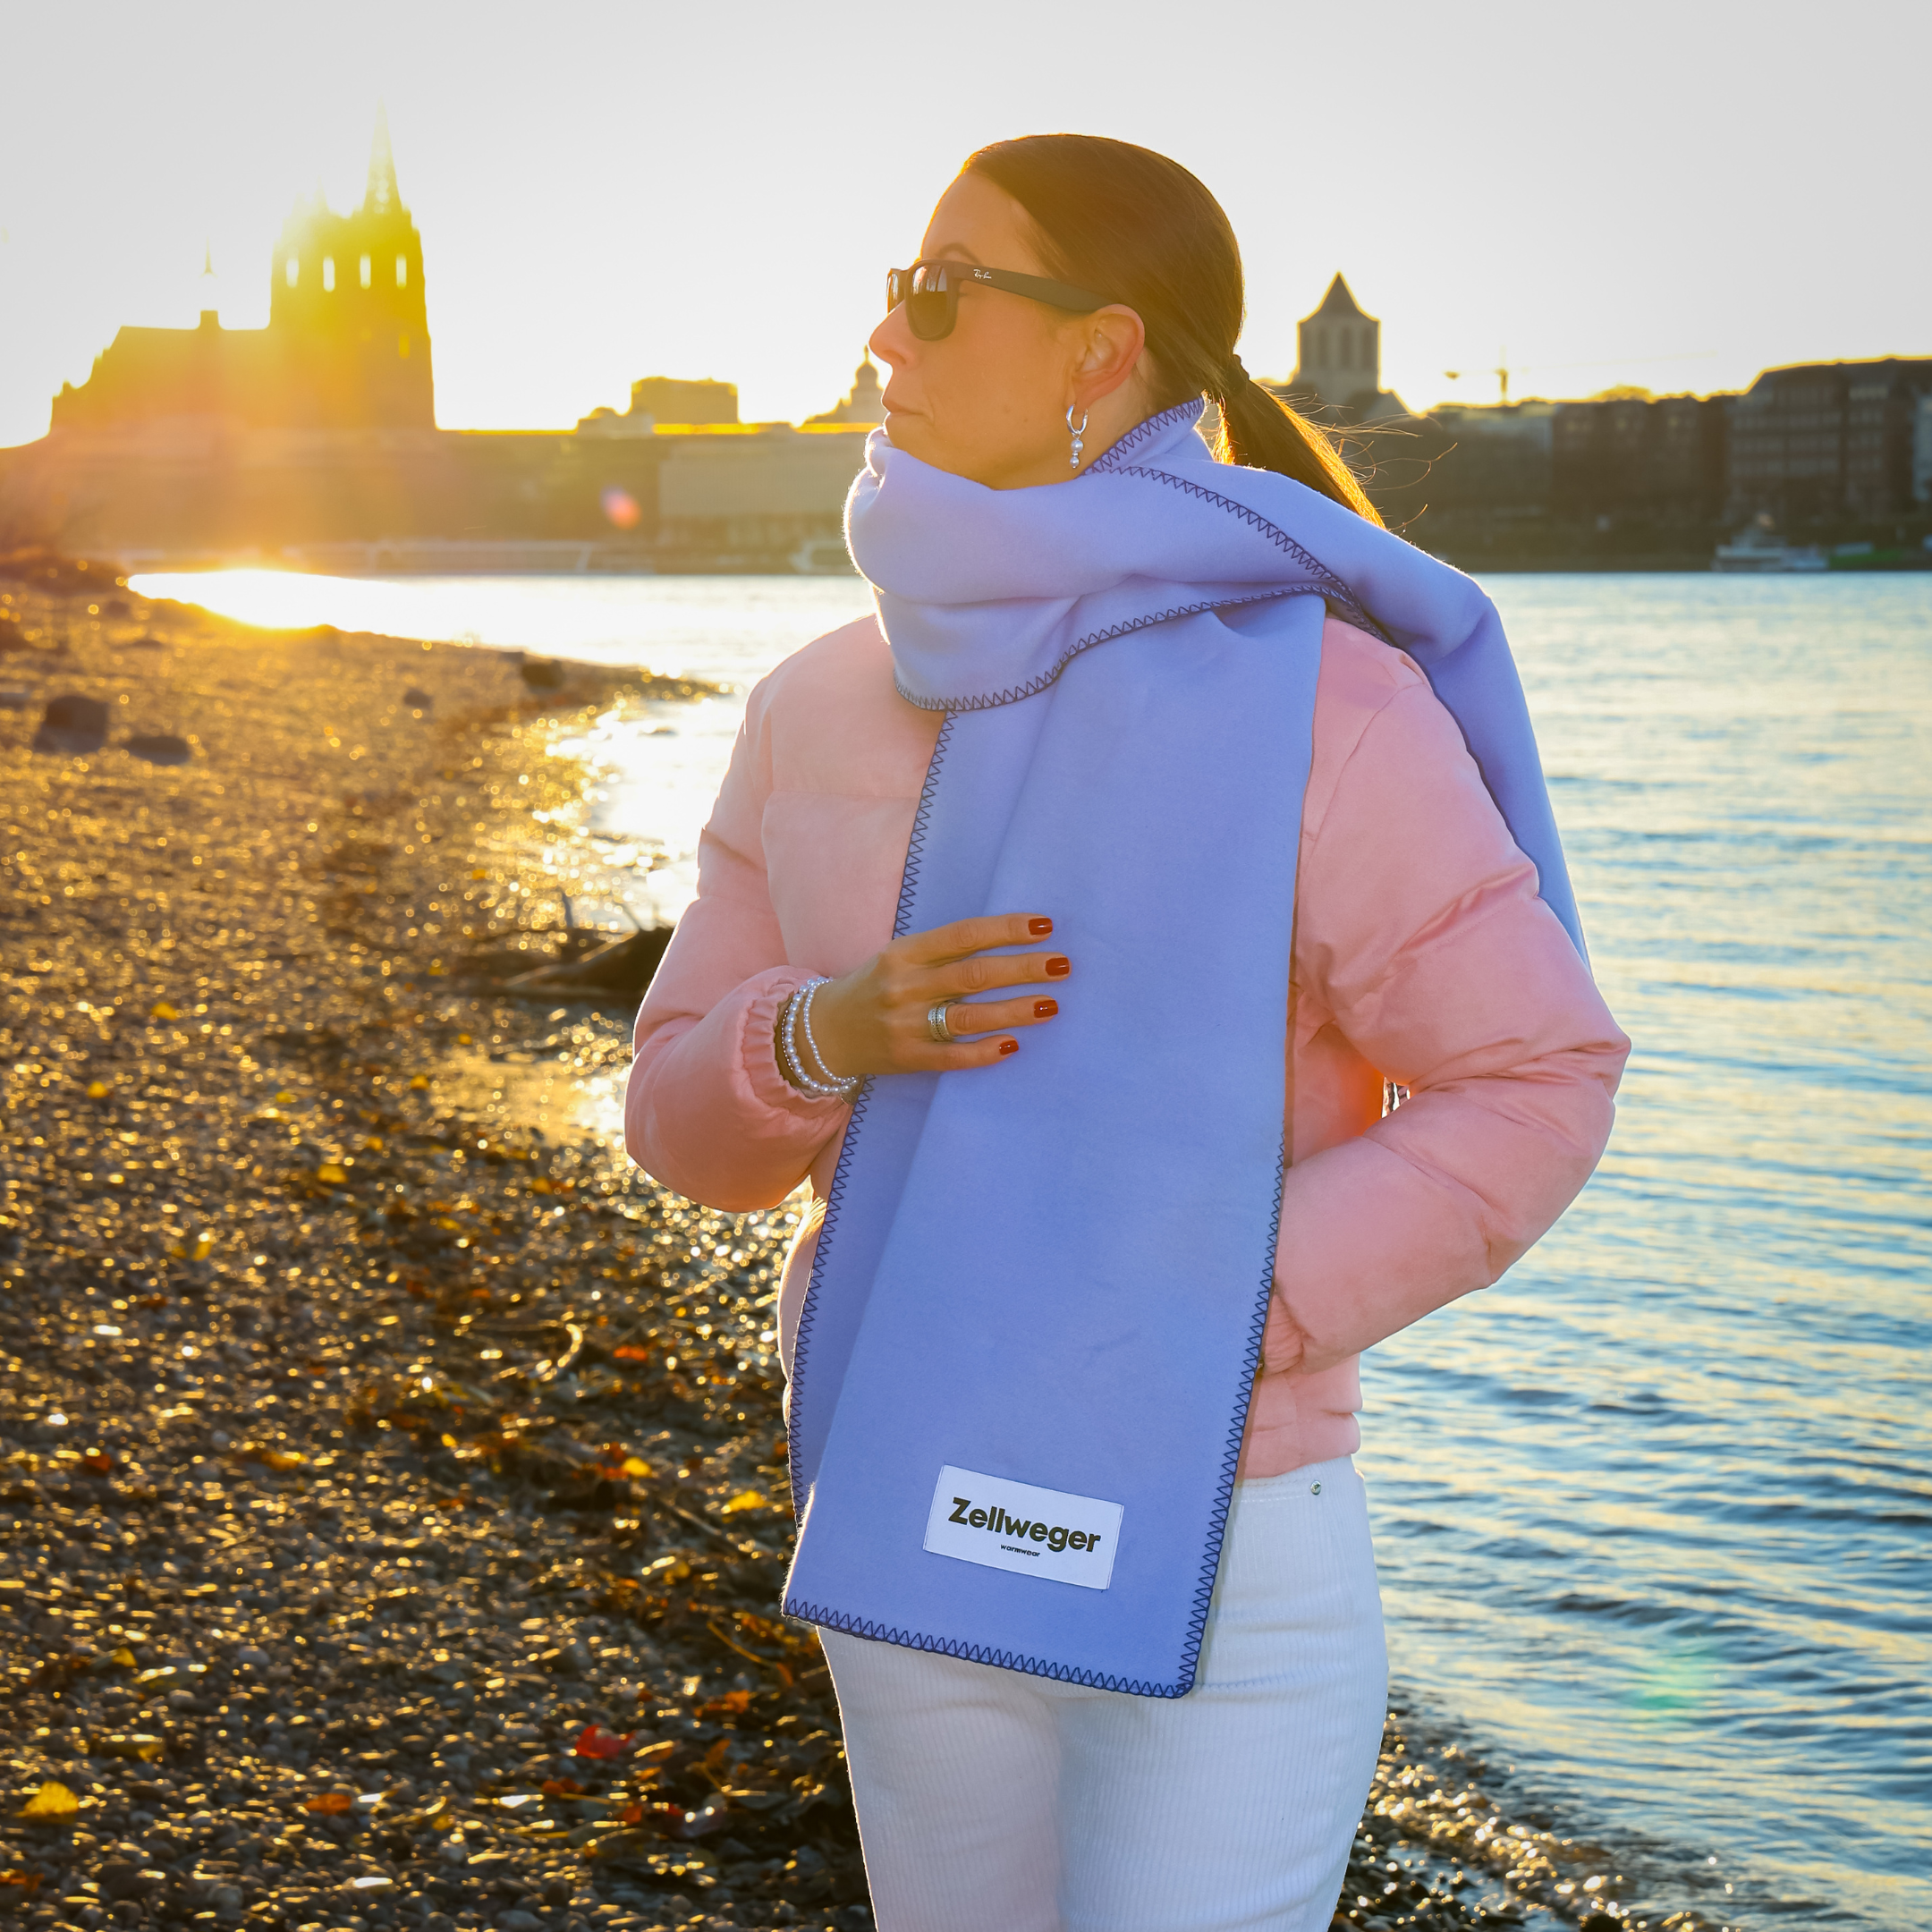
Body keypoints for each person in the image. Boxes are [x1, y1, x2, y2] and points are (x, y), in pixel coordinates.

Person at [625, 134, 1629, 1932]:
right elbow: (677, 1130)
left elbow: (1537, 1077)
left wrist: (1215, 1308)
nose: (884, 334)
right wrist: (821, 1036)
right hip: (906, 1513)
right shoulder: (813, 706)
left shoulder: (1327, 700)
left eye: (941, 294)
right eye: (893, 288)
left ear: (1102, 349)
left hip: (1223, 1544)